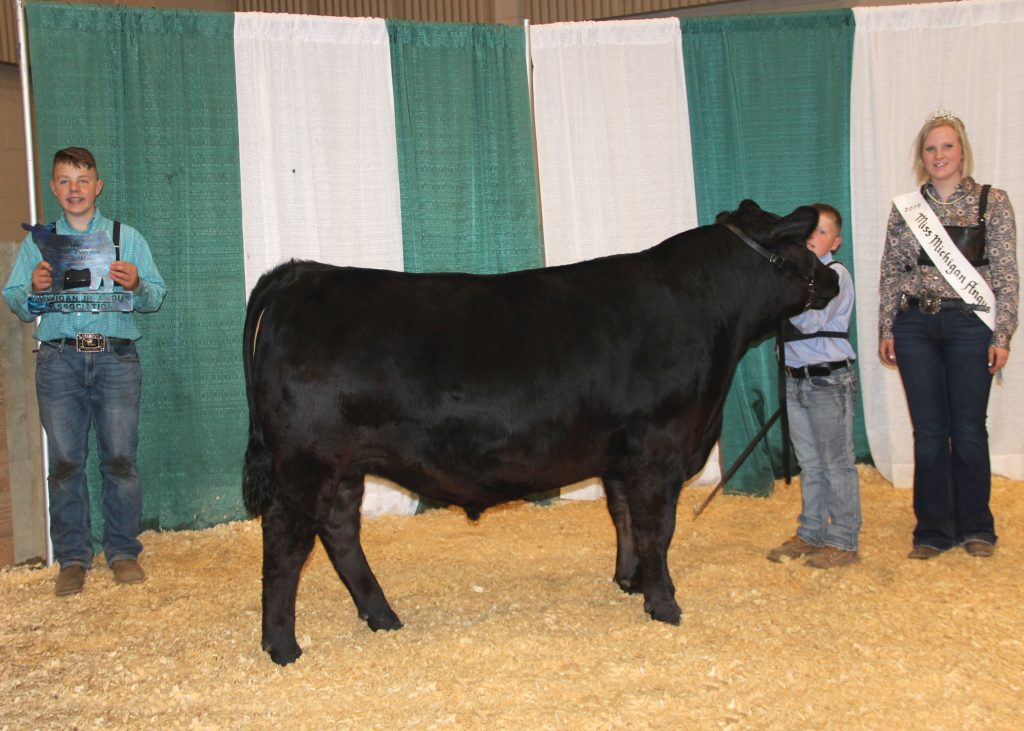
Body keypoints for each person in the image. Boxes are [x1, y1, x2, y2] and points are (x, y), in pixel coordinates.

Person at [3, 147, 167, 595]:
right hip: (58, 358)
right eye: (65, 181)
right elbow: (16, 300)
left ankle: (122, 551)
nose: (74, 189)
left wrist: (135, 283)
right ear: (54, 188)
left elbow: (155, 295)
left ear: (98, 186)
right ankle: (73, 558)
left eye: (82, 180)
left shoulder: (126, 237)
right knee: (66, 462)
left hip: (115, 357)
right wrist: (33, 292)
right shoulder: (38, 243)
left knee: (119, 459)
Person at [878, 111, 1018, 560]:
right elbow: (893, 271)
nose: (939, 155)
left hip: (970, 325)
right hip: (916, 324)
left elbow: (1006, 274)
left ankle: (977, 525)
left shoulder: (992, 202)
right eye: (931, 148)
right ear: (922, 156)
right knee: (930, 431)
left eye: (947, 146)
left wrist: (1003, 333)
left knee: (969, 429)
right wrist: (887, 327)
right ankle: (933, 529)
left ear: (962, 151)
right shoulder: (907, 209)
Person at [767, 204, 860, 569]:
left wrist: (777, 300)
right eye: (808, 232)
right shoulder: (799, 279)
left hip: (828, 379)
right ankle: (811, 533)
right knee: (810, 463)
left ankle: (844, 540)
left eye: (821, 232)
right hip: (795, 379)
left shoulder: (836, 275)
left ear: (835, 241)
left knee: (836, 463)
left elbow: (810, 321)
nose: (812, 238)